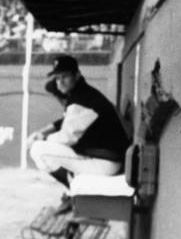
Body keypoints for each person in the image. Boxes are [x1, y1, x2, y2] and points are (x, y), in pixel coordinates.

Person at [28, 55, 130, 214]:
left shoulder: (82, 100)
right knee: (44, 146)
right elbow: (66, 121)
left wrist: (43, 138)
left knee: (38, 150)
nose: (60, 81)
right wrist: (43, 131)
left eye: (65, 76)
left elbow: (67, 138)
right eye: (57, 78)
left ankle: (71, 191)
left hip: (105, 164)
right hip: (104, 159)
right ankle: (71, 190)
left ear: (76, 75)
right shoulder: (84, 94)